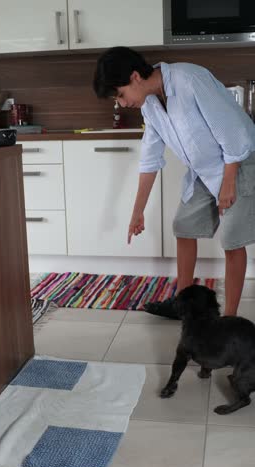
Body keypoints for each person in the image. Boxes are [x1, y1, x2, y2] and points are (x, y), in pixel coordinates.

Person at [93, 46, 255, 319]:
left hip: (238, 162)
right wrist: (137, 211)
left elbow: (234, 134)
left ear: (135, 77)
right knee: (184, 226)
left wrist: (228, 184)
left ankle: (229, 321)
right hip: (204, 171)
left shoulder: (190, 80)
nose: (121, 103)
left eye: (120, 94)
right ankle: (184, 303)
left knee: (231, 240)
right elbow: (150, 159)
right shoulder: (151, 105)